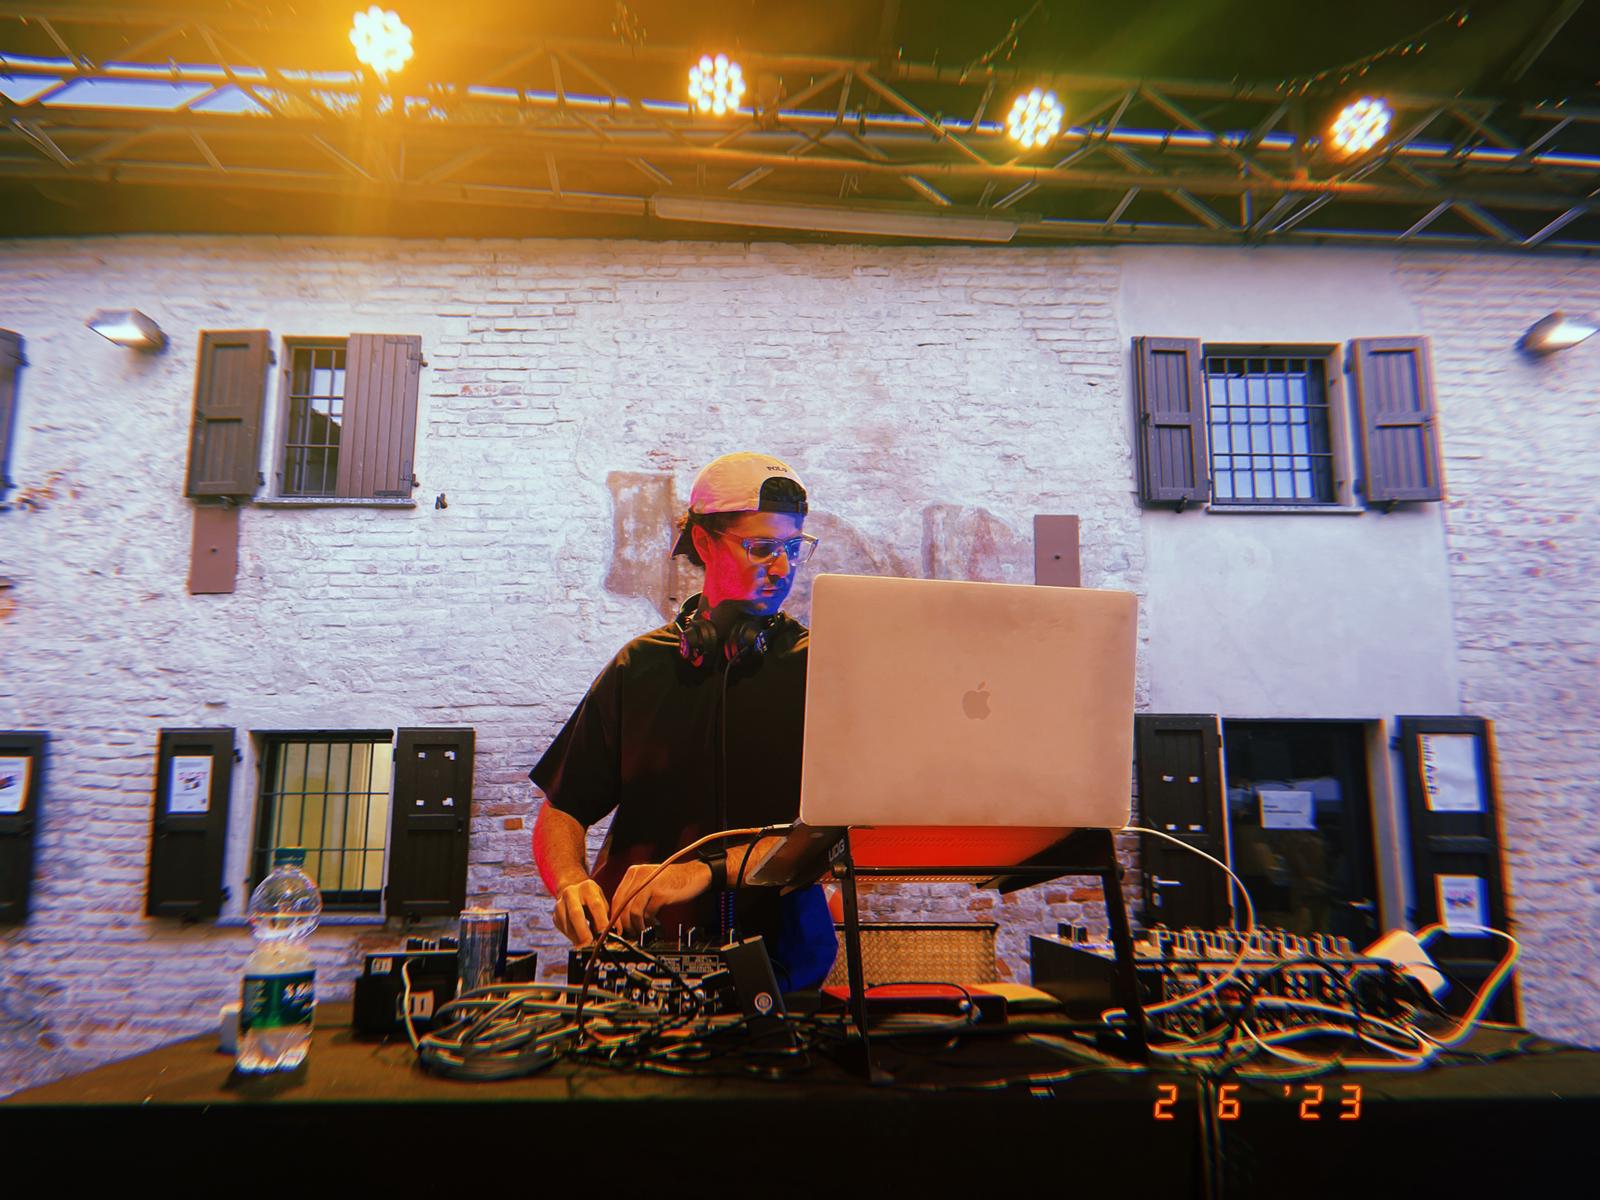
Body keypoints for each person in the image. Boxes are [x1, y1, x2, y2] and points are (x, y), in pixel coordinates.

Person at [529, 452, 838, 991]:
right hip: (640, 960)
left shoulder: (822, 671)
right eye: (762, 548)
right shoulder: (638, 667)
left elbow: (835, 836)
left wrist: (703, 871)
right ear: (703, 541)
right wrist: (570, 882)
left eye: (793, 548)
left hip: (782, 967)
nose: (782, 567)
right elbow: (562, 810)